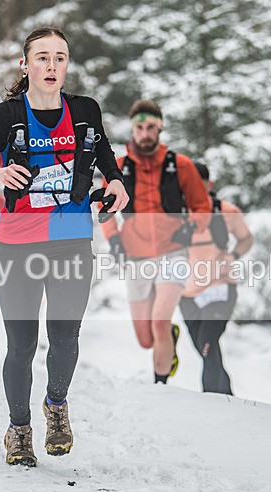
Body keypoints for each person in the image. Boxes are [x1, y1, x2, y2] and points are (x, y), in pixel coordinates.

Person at [0, 27, 129, 467]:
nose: (52, 66)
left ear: (67, 64)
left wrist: (118, 183)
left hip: (72, 239)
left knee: (66, 336)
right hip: (18, 245)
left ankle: (55, 407)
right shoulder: (5, 115)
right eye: (43, 57)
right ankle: (19, 429)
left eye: (60, 58)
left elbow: (105, 155)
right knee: (22, 345)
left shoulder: (85, 111)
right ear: (25, 64)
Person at [100, 100, 212, 385]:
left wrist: (190, 228)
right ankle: (168, 341)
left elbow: (202, 207)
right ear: (133, 129)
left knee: (160, 320)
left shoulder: (181, 166)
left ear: (159, 128)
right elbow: (105, 209)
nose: (145, 133)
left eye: (151, 127)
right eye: (140, 127)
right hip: (135, 256)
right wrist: (113, 239)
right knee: (145, 337)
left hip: (172, 252)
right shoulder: (119, 169)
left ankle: (160, 387)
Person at [179, 162, 253, 394]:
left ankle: (212, 404)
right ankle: (227, 399)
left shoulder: (227, 212)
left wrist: (234, 255)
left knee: (208, 347)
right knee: (205, 350)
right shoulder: (176, 215)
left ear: (208, 184)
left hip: (220, 289)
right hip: (187, 295)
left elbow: (246, 239)